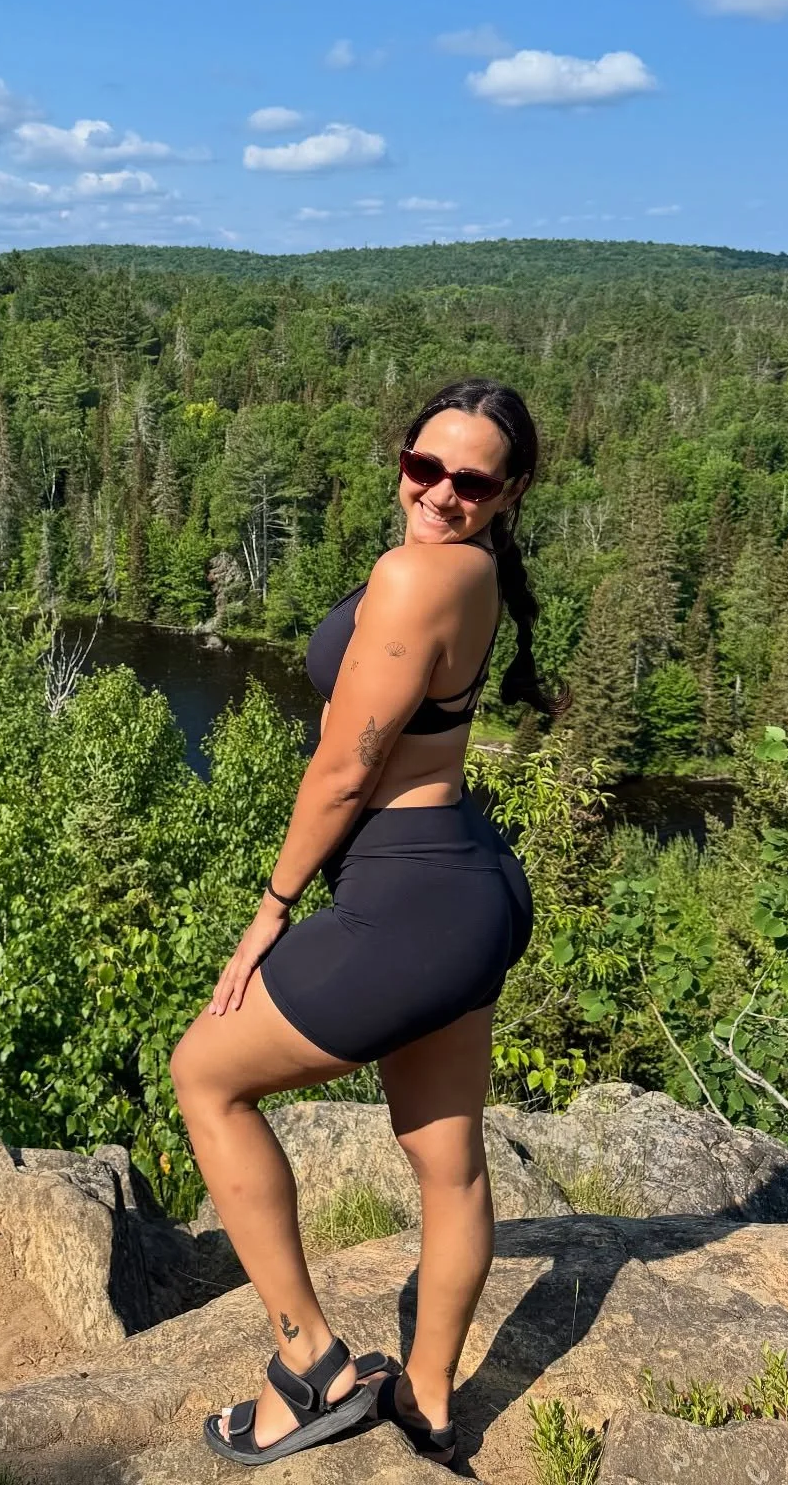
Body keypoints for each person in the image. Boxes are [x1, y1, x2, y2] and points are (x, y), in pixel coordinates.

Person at [171, 378, 553, 1469]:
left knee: (205, 1074)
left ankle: (311, 1366)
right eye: (423, 466)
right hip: (468, 888)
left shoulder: (414, 574)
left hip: (410, 897)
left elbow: (345, 769)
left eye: (470, 480)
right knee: (449, 1166)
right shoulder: (470, 574)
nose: (439, 492)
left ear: (508, 492)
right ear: (402, 458)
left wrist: (271, 911)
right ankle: (429, 1405)